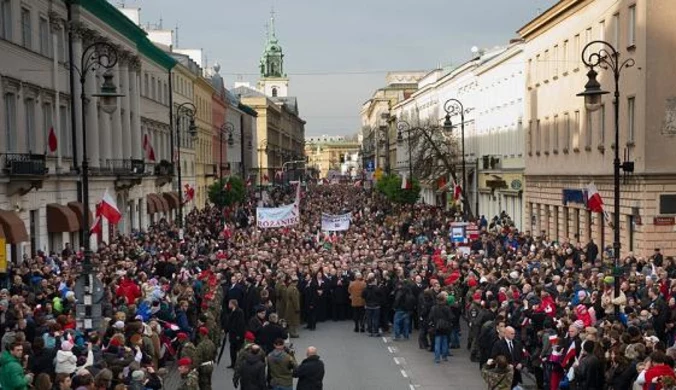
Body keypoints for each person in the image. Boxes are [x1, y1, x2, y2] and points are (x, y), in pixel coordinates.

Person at [428, 292, 453, 363]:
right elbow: (451, 317)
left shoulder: (434, 308)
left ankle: (437, 358)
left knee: (437, 343)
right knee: (445, 342)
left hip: (437, 326)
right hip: (445, 327)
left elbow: (430, 317)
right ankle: (444, 356)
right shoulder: (447, 308)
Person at [227, 299, 246, 369]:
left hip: (237, 335)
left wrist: (239, 335)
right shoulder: (232, 311)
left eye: (229, 303)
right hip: (232, 334)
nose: (228, 305)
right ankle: (233, 363)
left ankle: (238, 365)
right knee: (232, 350)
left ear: (233, 304)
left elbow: (240, 324)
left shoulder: (239, 312)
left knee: (238, 350)